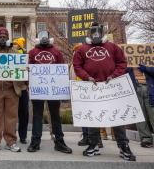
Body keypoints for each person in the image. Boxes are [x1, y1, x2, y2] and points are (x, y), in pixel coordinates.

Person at [73, 22, 136, 161]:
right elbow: (77, 65)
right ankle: (94, 144)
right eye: (93, 33)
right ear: (89, 34)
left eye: (98, 33)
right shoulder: (82, 49)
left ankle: (123, 145)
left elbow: (121, 63)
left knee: (117, 117)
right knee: (93, 118)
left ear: (102, 34)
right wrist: (86, 77)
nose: (96, 35)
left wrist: (114, 76)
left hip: (111, 87)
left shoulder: (113, 47)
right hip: (92, 88)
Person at [27, 31, 72, 154]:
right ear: (37, 39)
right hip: (38, 90)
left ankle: (59, 142)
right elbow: (28, 70)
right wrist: (29, 83)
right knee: (37, 116)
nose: (44, 39)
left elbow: (62, 68)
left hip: (54, 91)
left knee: (55, 116)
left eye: (46, 37)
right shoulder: (32, 53)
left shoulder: (56, 52)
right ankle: (35, 142)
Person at [0, 27, 26, 152]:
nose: (2, 39)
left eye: (5, 37)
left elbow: (21, 69)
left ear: (8, 38)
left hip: (11, 90)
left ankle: (11, 142)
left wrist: (25, 70)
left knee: (11, 116)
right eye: (0, 37)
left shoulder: (15, 53)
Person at [129, 64, 154, 148]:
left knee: (152, 114)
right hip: (135, 86)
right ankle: (146, 139)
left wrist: (146, 68)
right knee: (140, 115)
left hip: (150, 87)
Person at [13, 37, 29, 144]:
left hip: (23, 88)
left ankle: (23, 136)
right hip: (12, 89)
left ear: (20, 45)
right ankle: (11, 136)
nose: (13, 45)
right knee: (11, 114)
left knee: (24, 114)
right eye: (13, 43)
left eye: (15, 43)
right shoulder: (9, 56)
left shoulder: (26, 56)